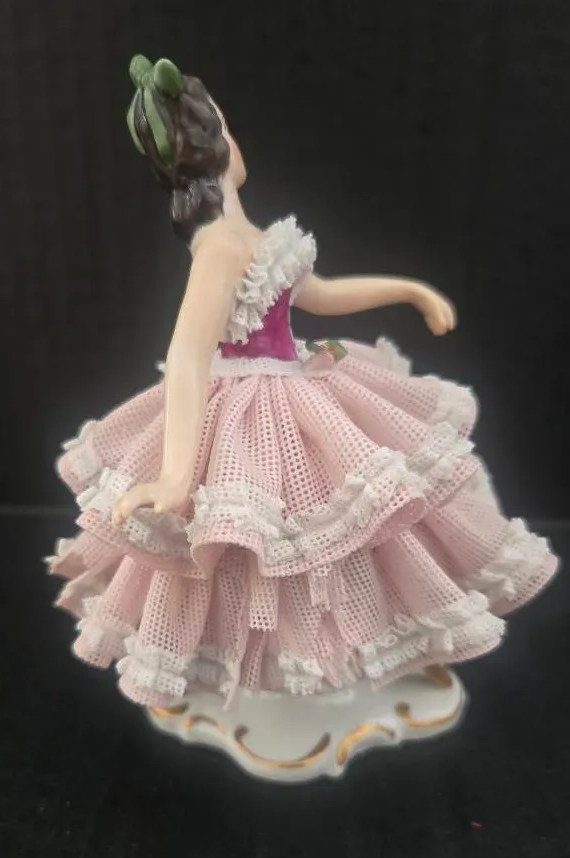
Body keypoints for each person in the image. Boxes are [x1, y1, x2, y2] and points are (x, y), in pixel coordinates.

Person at [49, 55, 558, 714]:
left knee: (344, 517)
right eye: (226, 128)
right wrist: (175, 475)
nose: (236, 141)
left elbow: (319, 293)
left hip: (300, 374)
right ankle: (283, 662)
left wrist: (408, 290)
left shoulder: (253, 236)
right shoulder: (219, 248)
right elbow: (187, 355)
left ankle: (338, 648)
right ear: (212, 145)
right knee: (266, 532)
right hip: (249, 408)